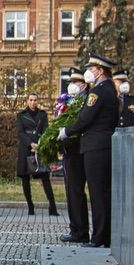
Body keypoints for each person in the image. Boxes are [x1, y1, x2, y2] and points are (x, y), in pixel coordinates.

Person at [60, 55, 119, 248]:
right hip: (100, 145)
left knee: (98, 193)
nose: (89, 72)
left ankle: (100, 237)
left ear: (100, 70)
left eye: (92, 68)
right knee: (100, 192)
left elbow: (86, 118)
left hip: (96, 147)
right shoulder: (107, 89)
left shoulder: (99, 92)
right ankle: (102, 236)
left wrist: (66, 131)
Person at [59, 76, 91, 244]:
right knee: (71, 192)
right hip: (69, 151)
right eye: (71, 82)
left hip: (78, 150)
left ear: (84, 85)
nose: (73, 85)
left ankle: (81, 231)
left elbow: (81, 123)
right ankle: (75, 228)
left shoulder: (85, 101)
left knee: (76, 191)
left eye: (77, 83)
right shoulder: (68, 102)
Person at [16, 94, 59, 216]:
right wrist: (30, 144)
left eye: (35, 100)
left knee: (44, 176)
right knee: (25, 178)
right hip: (26, 148)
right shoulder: (21, 115)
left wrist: (40, 144)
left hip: (39, 147)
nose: (33, 102)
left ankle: (53, 206)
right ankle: (30, 206)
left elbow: (45, 130)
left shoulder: (42, 114)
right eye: (31, 100)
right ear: (27, 101)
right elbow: (20, 132)